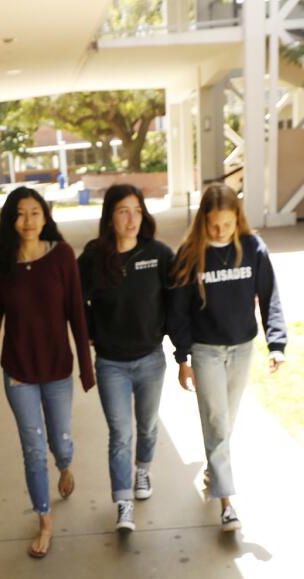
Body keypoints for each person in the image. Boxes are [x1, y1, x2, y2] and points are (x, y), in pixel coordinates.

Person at [0, 187, 95, 558]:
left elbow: (77, 311)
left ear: (45, 217)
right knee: (32, 448)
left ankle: (65, 465)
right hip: (19, 371)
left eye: (35, 212)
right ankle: (44, 520)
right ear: (11, 219)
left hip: (57, 368)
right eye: (20, 213)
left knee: (59, 441)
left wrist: (86, 369)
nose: (28, 220)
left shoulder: (61, 256)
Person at [169, 183, 287, 532]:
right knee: (217, 421)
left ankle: (213, 471)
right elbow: (178, 312)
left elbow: (270, 298)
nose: (220, 231)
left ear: (238, 219)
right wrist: (182, 356)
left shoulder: (252, 249)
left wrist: (277, 343)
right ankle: (226, 502)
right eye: (213, 224)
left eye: (227, 224)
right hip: (205, 350)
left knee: (226, 422)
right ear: (202, 220)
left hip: (241, 349)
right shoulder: (190, 255)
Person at [78, 184, 177, 533]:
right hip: (111, 364)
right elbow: (75, 302)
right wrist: (91, 332)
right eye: (123, 210)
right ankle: (123, 503)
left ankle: (142, 470)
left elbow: (175, 300)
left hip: (151, 359)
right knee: (120, 432)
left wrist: (177, 344)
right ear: (110, 217)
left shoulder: (159, 254)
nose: (131, 218)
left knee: (147, 427)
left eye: (136, 209)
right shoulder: (94, 257)